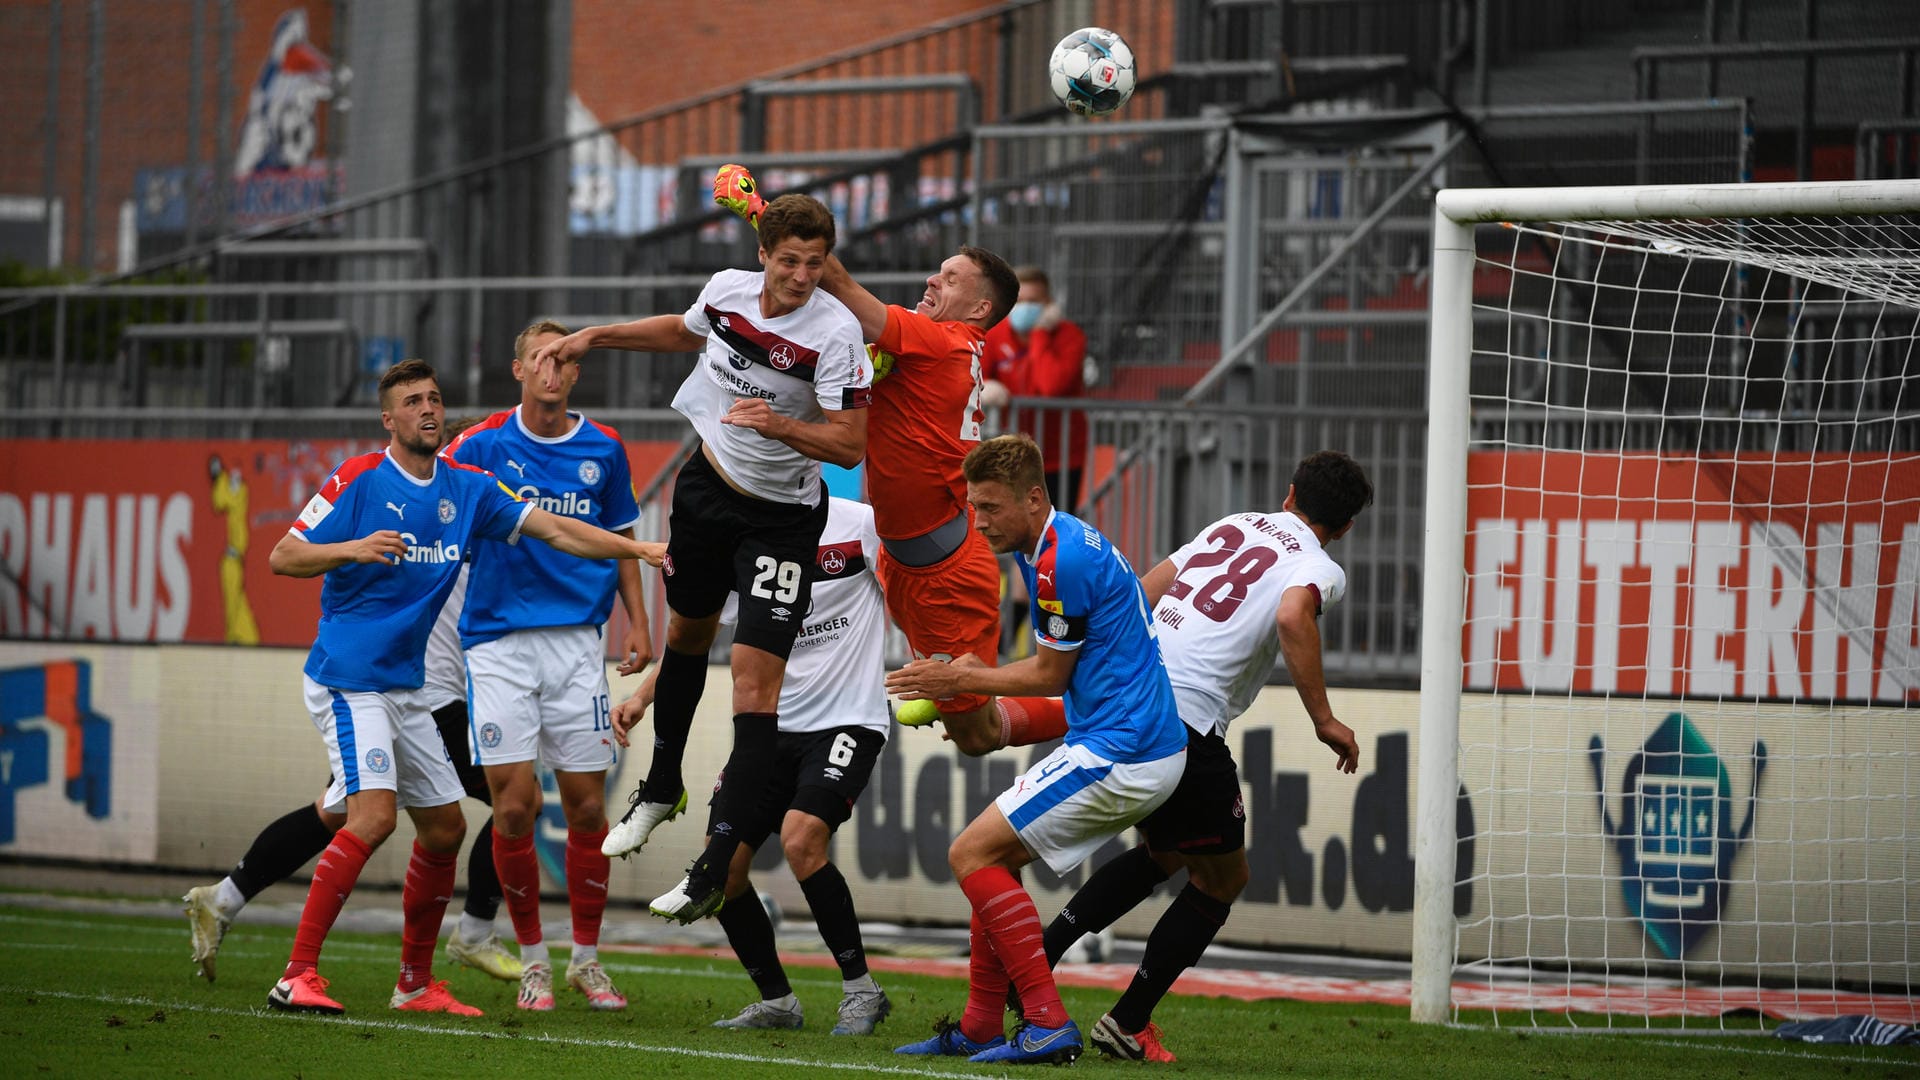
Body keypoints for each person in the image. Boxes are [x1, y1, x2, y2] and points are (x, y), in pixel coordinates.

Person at [263, 359, 657, 1017]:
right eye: (412, 401)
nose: (427, 409)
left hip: (406, 686)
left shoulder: (469, 488)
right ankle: (296, 974)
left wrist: (636, 549)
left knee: (444, 829)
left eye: (435, 399)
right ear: (388, 419)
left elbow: (555, 528)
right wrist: (353, 548)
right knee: (375, 817)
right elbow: (284, 555)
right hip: (350, 680)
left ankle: (415, 985)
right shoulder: (357, 478)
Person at [526, 193, 870, 925]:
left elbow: (850, 443)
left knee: (753, 690)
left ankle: (714, 865)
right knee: (684, 636)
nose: (802, 276)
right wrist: (597, 335)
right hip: (707, 489)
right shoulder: (726, 292)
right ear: (762, 256)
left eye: (814, 263)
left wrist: (779, 425)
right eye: (789, 261)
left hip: (782, 521)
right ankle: (660, 788)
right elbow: (682, 334)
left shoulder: (837, 334)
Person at [711, 164, 1067, 760]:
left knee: (975, 736)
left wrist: (760, 212)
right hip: (910, 561)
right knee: (966, 728)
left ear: (978, 308)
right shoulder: (935, 348)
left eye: (950, 279)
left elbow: (842, 288)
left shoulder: (945, 340)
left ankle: (1106, 705)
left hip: (945, 574)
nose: (932, 279)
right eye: (939, 270)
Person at [1034, 450, 1372, 1062]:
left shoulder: (1233, 523)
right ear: (1346, 526)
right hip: (1184, 718)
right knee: (1224, 877)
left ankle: (1039, 958)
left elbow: (1143, 591)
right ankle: (1127, 1020)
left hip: (1128, 693)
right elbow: (1295, 615)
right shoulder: (1318, 564)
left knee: (1166, 854)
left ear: (1289, 491)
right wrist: (1324, 719)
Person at [883, 433, 1189, 1066]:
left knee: (969, 852)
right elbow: (1079, 682)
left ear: (1032, 498)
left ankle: (1048, 1022)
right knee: (991, 855)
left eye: (991, 508)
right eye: (974, 506)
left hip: (1125, 752)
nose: (980, 521)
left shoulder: (1058, 562)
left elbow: (1051, 673)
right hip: (1125, 738)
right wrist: (998, 718)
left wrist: (959, 678)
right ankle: (979, 1025)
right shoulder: (1053, 543)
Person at [608, 497, 893, 1036]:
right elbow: (696, 634)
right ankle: (777, 1001)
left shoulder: (861, 525)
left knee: (801, 838)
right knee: (726, 871)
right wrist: (646, 698)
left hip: (847, 722)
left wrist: (937, 666)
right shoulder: (751, 541)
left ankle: (861, 991)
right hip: (768, 732)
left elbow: (908, 598)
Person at [439, 320, 652, 1012]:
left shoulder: (605, 448)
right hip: (498, 645)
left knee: (589, 807)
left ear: (574, 373)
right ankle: (533, 959)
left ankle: (585, 960)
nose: (553, 371)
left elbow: (621, 540)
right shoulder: (481, 444)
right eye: (540, 359)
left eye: (564, 360)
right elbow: (438, 509)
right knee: (513, 806)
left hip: (577, 645)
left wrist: (640, 625)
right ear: (518, 370)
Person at [181, 561, 522, 986]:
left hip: (407, 692)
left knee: (337, 812)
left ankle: (224, 899)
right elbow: (290, 553)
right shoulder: (448, 509)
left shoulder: (471, 509)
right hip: (418, 694)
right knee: (514, 802)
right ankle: (471, 931)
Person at [981, 266, 1089, 512]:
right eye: (1019, 301)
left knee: (1053, 528)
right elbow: (974, 376)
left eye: (1033, 301)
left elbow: (1050, 386)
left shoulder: (1070, 336)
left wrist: (1040, 334)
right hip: (1008, 454)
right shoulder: (995, 335)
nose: (1025, 307)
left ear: (1048, 304)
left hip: (1058, 457)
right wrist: (984, 385)